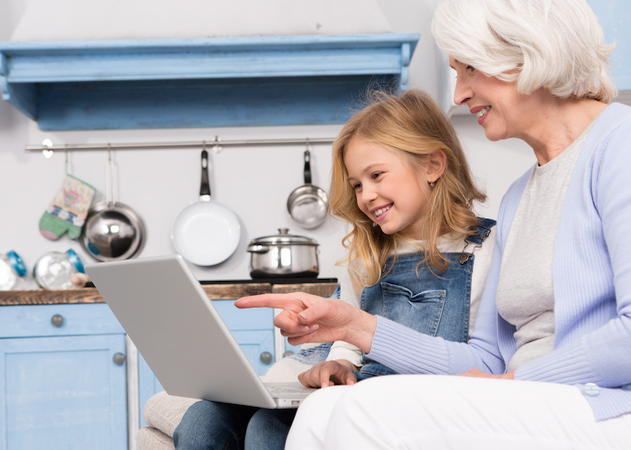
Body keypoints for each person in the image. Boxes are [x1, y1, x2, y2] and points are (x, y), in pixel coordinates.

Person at [234, 0, 631, 448]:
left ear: (529, 53)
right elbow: (487, 361)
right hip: (550, 401)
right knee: (326, 408)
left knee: (365, 413)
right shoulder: (521, 195)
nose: (459, 93)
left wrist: (518, 384)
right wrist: (355, 325)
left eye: (469, 68)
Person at [173, 88, 496, 449]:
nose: (365, 196)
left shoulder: (485, 248)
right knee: (201, 424)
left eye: (377, 175)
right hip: (358, 392)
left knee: (268, 430)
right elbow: (350, 342)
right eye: (357, 184)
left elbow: (485, 357)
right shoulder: (367, 254)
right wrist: (340, 364)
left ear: (433, 166)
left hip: (418, 405)